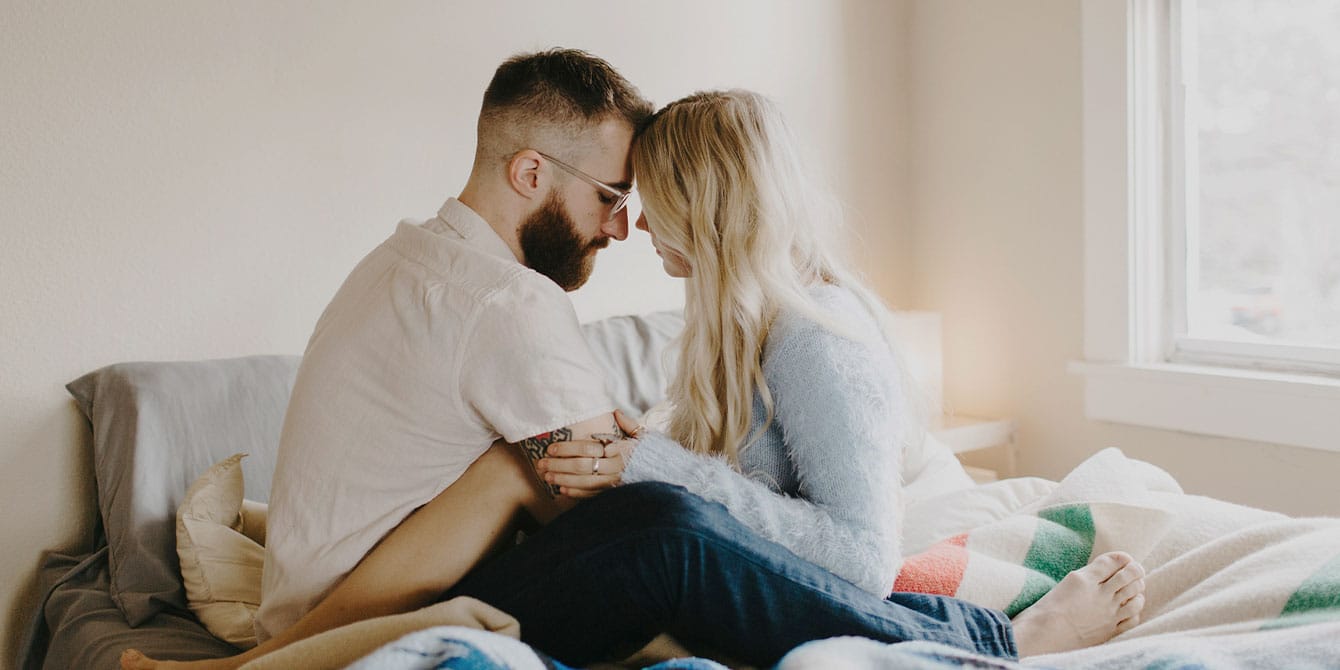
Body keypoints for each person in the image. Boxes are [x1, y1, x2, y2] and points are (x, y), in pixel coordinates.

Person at [124, 72, 1146, 670]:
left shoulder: (410, 262)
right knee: (649, 519)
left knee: (662, 520)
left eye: (644, 197)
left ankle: (983, 639)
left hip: (405, 580)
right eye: (615, 193)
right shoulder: (502, 303)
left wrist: (651, 463)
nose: (627, 222)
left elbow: (829, 546)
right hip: (388, 593)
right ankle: (986, 635)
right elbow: (606, 502)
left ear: (708, 205)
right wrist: (647, 467)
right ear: (532, 173)